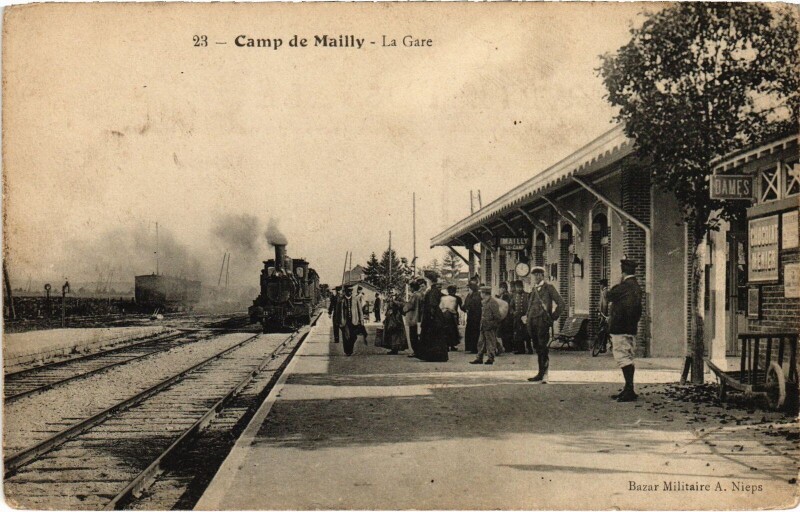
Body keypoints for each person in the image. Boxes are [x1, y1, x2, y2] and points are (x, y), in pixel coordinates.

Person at [607, 259, 643, 402]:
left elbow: (609, 295)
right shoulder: (636, 286)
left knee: (622, 357)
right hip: (630, 327)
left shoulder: (624, 286)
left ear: (623, 272)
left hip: (620, 327)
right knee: (627, 357)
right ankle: (629, 389)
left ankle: (629, 390)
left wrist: (618, 281)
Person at [526, 266, 565, 383]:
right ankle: (540, 373)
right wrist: (527, 317)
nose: (537, 277)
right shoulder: (534, 289)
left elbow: (561, 304)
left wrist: (552, 317)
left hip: (542, 322)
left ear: (543, 276)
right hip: (532, 322)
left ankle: (545, 375)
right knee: (537, 347)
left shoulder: (549, 288)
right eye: (535, 275)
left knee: (543, 348)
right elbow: (530, 306)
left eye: (539, 274)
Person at [417, 271, 448, 362]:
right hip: (435, 316)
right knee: (437, 337)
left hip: (432, 317)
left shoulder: (432, 291)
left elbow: (432, 305)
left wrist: (431, 316)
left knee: (432, 336)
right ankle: (436, 355)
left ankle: (433, 356)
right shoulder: (435, 290)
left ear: (429, 280)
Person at [470, 286, 502, 365]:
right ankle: (479, 358)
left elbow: (497, 316)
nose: (480, 294)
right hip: (483, 325)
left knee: (490, 343)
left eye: (481, 292)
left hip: (490, 326)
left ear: (485, 293)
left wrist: (493, 325)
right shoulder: (484, 302)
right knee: (481, 342)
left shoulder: (492, 302)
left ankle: (490, 358)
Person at [339, 285, 362, 356]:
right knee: (346, 337)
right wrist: (338, 321)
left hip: (354, 321)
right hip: (345, 321)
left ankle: (350, 349)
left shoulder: (355, 299)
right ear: (345, 291)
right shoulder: (341, 300)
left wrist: (361, 320)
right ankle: (347, 351)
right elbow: (338, 311)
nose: (350, 292)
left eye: (351, 291)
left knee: (354, 336)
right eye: (349, 291)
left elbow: (360, 310)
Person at [403, 280, 424, 358]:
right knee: (417, 335)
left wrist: (404, 308)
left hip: (413, 317)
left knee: (413, 335)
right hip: (419, 316)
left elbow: (409, 306)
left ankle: (415, 351)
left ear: (412, 288)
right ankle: (418, 351)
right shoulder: (421, 294)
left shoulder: (415, 295)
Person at [461, 281, 482, 353]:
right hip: (470, 317)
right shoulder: (469, 295)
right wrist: (464, 308)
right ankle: (470, 347)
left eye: (469, 289)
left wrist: (467, 308)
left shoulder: (476, 296)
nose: (468, 290)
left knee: (474, 333)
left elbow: (473, 306)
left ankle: (474, 348)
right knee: (470, 332)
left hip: (475, 317)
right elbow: (465, 305)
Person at [510, 280, 530, 354]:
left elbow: (530, 306)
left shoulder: (527, 295)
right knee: (518, 333)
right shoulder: (514, 296)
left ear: (522, 287)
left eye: (520, 287)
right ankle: (521, 349)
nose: (519, 289)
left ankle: (529, 348)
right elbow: (511, 306)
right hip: (517, 317)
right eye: (517, 287)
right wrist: (513, 312)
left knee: (527, 333)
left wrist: (527, 314)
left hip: (525, 316)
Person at [440, 285, 461, 351]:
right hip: (453, 315)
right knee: (453, 331)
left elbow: (441, 307)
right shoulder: (457, 298)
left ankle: (446, 345)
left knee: (446, 330)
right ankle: (452, 345)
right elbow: (461, 307)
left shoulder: (443, 297)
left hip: (444, 315)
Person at [497, 282, 514, 354]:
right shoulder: (503, 296)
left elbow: (505, 305)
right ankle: (507, 347)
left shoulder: (506, 296)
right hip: (505, 317)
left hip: (507, 317)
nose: (499, 290)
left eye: (500, 288)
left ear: (504, 289)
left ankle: (508, 348)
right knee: (504, 333)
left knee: (506, 333)